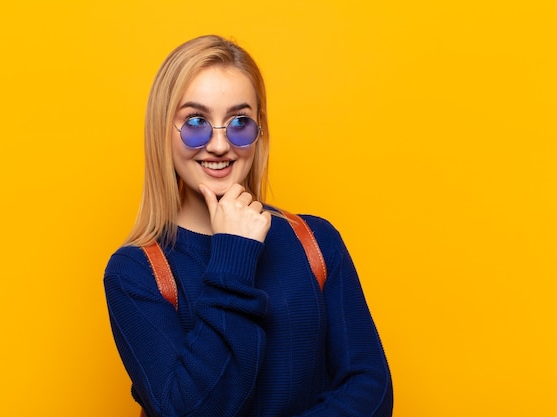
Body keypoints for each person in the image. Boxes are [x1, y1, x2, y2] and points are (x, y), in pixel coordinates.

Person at [104, 34, 393, 417]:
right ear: (162, 132)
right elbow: (193, 411)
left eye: (239, 121)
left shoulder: (316, 242)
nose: (220, 145)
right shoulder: (134, 273)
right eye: (196, 122)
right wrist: (233, 255)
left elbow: (371, 389)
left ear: (260, 131)